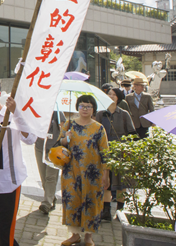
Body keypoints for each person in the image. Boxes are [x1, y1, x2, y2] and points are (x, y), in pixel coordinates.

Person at [0, 78, 36, 246]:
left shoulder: (11, 116)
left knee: (6, 232)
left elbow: (31, 138)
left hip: (10, 183)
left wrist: (16, 112)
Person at [58, 95, 109, 246]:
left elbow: (105, 152)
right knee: (72, 201)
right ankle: (74, 235)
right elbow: (59, 143)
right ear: (77, 107)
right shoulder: (69, 124)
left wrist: (106, 174)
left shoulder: (99, 128)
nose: (85, 109)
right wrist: (65, 138)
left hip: (92, 174)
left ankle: (88, 237)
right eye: (82, 106)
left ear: (93, 109)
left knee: (90, 202)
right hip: (71, 172)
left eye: (88, 106)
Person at [94, 88, 137, 220]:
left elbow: (131, 133)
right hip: (104, 151)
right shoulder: (101, 114)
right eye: (109, 94)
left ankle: (120, 209)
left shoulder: (124, 114)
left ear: (118, 97)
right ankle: (106, 210)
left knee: (120, 183)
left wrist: (128, 148)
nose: (111, 96)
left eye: (114, 94)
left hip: (120, 152)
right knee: (106, 181)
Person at [35, 109, 66, 214]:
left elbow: (64, 128)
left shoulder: (57, 112)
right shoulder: (39, 110)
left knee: (51, 177)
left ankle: (46, 203)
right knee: (43, 176)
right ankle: (51, 197)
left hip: (54, 149)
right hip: (40, 147)